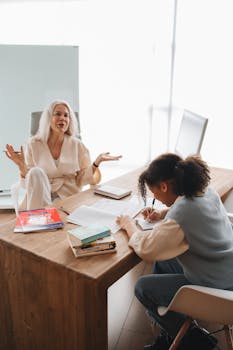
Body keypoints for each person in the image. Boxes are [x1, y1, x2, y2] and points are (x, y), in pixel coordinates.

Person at [116, 153, 233, 350]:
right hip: (225, 269)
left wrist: (128, 225)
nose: (155, 198)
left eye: (155, 192)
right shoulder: (205, 191)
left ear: (164, 186)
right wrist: (164, 213)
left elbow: (146, 248)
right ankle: (170, 334)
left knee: (143, 288)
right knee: (163, 262)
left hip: (218, 288)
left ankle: (195, 341)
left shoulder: (182, 214)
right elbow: (189, 209)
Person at [5, 100, 122, 210]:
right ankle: (43, 216)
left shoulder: (77, 145)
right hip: (39, 197)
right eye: (58, 114)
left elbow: (82, 180)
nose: (62, 118)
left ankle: (42, 217)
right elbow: (28, 185)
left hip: (67, 196)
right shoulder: (32, 144)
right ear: (48, 119)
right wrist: (21, 166)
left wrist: (97, 162)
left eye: (66, 115)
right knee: (36, 172)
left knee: (52, 211)